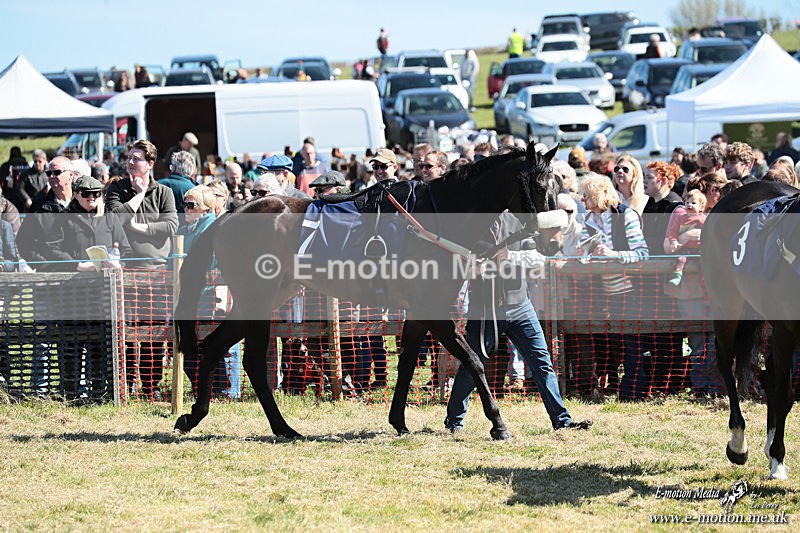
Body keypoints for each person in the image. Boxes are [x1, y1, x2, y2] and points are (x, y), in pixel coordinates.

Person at [444, 210, 593, 433]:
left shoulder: (519, 222)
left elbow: (538, 260)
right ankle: (454, 422)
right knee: (472, 366)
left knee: (541, 362)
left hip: (520, 307)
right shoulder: (470, 223)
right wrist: (470, 268)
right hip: (484, 310)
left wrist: (510, 256)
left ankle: (562, 422)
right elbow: (452, 263)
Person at [45, 174, 131, 402]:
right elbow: (51, 250)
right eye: (87, 194)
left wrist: (117, 260)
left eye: (96, 194)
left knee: (99, 345)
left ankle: (98, 395)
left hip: (102, 293)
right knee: (71, 346)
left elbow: (126, 249)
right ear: (76, 194)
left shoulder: (110, 218)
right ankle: (71, 394)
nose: (92, 198)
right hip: (72, 292)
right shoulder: (64, 218)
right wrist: (75, 264)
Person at [105, 139, 179, 401]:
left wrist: (140, 228)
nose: (131, 162)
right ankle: (125, 386)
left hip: (156, 272)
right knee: (125, 333)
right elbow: (115, 219)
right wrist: (137, 195)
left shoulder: (163, 192)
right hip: (125, 271)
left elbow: (171, 224)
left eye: (137, 159)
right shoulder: (117, 189)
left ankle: (150, 387)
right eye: (129, 158)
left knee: (153, 334)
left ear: (149, 164)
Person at [577, 173, 649, 401]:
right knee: (611, 342)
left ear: (598, 195)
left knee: (632, 344)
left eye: (586, 195)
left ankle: (633, 392)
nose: (582, 199)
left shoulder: (626, 216)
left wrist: (614, 255)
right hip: (602, 292)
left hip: (630, 291)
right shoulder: (587, 221)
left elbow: (643, 254)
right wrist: (582, 255)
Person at [15, 149, 48, 213]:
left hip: (45, 205)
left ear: (44, 161)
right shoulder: (26, 173)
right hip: (31, 204)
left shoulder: (49, 173)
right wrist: (26, 199)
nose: (37, 163)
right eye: (35, 161)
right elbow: (19, 188)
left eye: (40, 161)